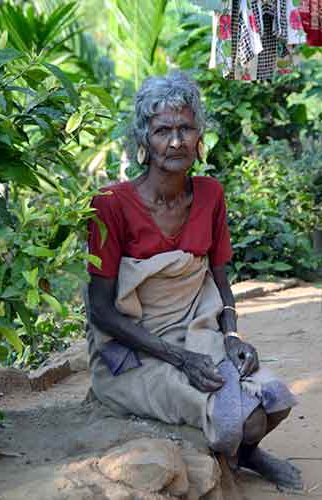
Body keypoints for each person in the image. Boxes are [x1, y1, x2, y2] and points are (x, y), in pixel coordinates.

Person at [85, 72, 303, 490]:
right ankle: (248, 454)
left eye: (186, 128)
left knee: (272, 400)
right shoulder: (111, 205)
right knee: (236, 413)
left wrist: (233, 335)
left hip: (197, 333)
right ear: (143, 140)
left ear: (199, 135)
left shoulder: (209, 194)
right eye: (162, 130)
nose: (175, 141)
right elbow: (101, 309)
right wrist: (179, 358)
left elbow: (218, 275)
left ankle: (245, 451)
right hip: (135, 349)